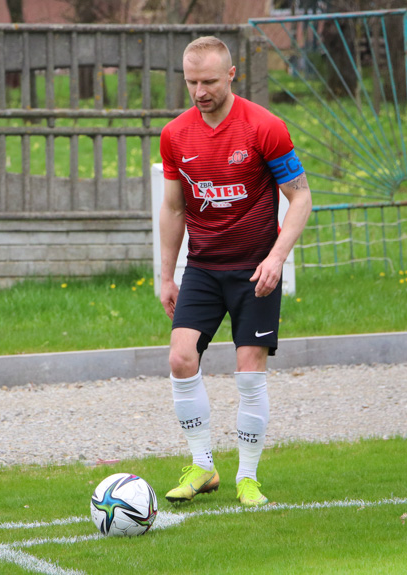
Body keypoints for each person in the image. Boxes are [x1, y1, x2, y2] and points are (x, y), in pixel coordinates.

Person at [158, 36, 312, 507]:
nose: (199, 91)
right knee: (180, 359)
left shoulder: (265, 128)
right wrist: (166, 274)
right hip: (203, 267)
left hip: (255, 269)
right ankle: (203, 467)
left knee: (249, 372)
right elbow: (172, 208)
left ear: (231, 75)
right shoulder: (175, 135)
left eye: (208, 81)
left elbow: (301, 198)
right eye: (190, 82)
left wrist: (277, 258)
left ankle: (248, 478)